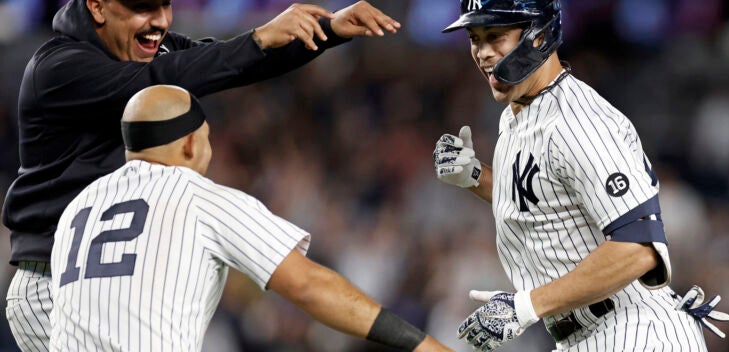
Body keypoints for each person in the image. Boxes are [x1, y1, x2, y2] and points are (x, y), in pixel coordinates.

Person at [2, 0, 401, 351]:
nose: (159, 20)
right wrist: (260, 36)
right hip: (55, 281)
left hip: (118, 278)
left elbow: (229, 65)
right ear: (98, 8)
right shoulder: (59, 67)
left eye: (164, 4)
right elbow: (163, 77)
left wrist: (329, 31)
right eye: (142, 6)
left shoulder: (147, 48)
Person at [432, 0, 729, 351]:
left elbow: (638, 250)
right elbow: (541, 203)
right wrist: (474, 175)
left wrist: (525, 306)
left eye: (495, 36)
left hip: (633, 331)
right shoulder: (518, 114)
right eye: (475, 38)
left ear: (539, 36)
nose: (482, 53)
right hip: (586, 335)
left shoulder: (579, 121)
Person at [47, 84, 451, 352]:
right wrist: (422, 345)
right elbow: (309, 285)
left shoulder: (78, 208)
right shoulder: (199, 198)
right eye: (206, 137)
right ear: (189, 143)